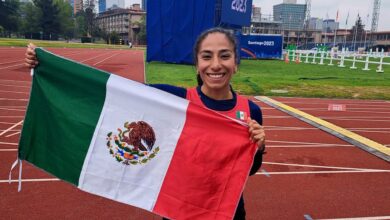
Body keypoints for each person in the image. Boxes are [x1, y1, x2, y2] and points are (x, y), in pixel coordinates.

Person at [25, 27, 266, 220]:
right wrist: (49, 66)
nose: (215, 65)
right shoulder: (174, 100)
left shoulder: (250, 111)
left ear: (236, 63)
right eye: (206, 56)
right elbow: (116, 90)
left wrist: (259, 146)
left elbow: (249, 170)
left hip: (227, 212)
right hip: (179, 213)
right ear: (197, 64)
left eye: (225, 56)